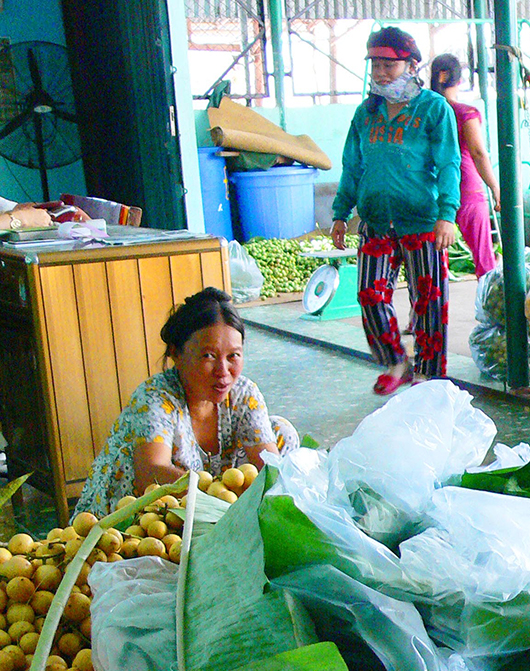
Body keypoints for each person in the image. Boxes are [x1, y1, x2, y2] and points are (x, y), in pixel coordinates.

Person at [77, 288, 297, 516]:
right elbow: (150, 473)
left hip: (207, 506)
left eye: (233, 356)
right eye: (208, 356)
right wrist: (218, 496)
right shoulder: (156, 397)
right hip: (138, 518)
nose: (223, 371)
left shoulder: (243, 394)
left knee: (281, 432)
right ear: (176, 353)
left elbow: (269, 466)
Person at [331, 26, 462, 396]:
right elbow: (352, 165)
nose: (380, 72)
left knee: (430, 300)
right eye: (375, 64)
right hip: (375, 222)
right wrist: (341, 212)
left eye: (389, 64)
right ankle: (395, 361)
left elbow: (450, 164)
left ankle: (430, 375)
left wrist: (447, 214)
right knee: (370, 294)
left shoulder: (433, 109)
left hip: (423, 222)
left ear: (412, 64)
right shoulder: (366, 113)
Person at [429, 53, 502, 277]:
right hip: (467, 187)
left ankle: (436, 310)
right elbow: (478, 153)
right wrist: (496, 188)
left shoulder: (425, 112)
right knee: (484, 259)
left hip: (435, 189)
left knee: (435, 261)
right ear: (459, 81)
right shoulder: (466, 113)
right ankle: (488, 309)